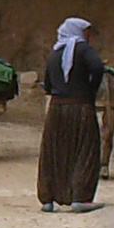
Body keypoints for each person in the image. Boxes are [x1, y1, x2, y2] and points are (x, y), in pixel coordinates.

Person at [38, 16, 106, 213]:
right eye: (87, 32)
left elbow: (48, 84)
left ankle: (47, 198)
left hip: (57, 109)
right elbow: (98, 67)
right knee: (85, 150)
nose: (89, 37)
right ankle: (81, 197)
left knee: (54, 152)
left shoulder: (54, 53)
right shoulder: (84, 49)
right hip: (81, 107)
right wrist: (90, 89)